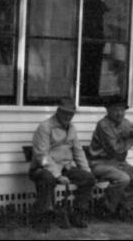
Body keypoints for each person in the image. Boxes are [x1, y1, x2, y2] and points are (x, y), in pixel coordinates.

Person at [29, 97, 96, 229]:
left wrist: (86, 170)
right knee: (48, 179)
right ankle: (42, 219)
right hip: (42, 168)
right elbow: (41, 156)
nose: (68, 116)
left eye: (71, 113)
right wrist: (57, 175)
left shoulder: (72, 128)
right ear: (58, 111)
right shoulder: (45, 127)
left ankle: (77, 215)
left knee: (89, 179)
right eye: (65, 112)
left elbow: (78, 151)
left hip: (66, 167)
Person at [89, 95, 133, 219]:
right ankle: (105, 207)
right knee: (123, 179)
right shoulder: (103, 125)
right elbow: (115, 149)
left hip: (119, 163)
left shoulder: (125, 122)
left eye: (122, 110)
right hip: (100, 163)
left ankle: (124, 206)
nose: (120, 113)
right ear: (108, 110)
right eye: (116, 110)